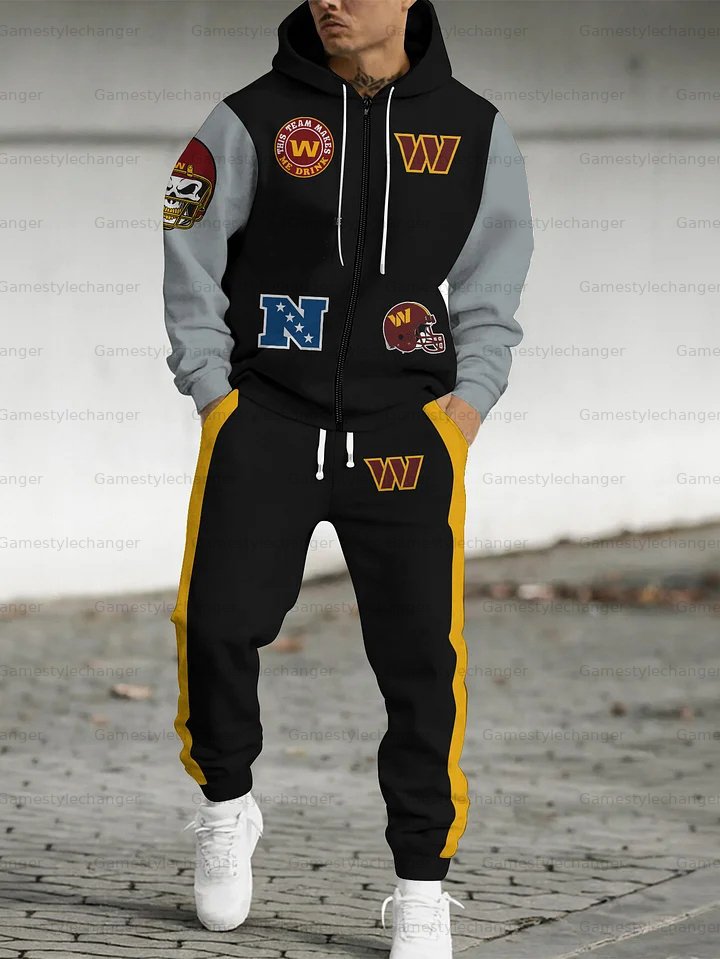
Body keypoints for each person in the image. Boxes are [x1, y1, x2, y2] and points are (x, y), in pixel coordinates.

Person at [162, 0, 533, 954]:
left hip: (409, 434)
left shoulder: (476, 131)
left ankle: (421, 883)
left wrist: (465, 409)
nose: (331, 0)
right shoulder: (247, 119)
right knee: (215, 623)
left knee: (422, 663)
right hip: (266, 421)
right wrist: (215, 394)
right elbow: (190, 249)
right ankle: (226, 803)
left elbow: (492, 286)